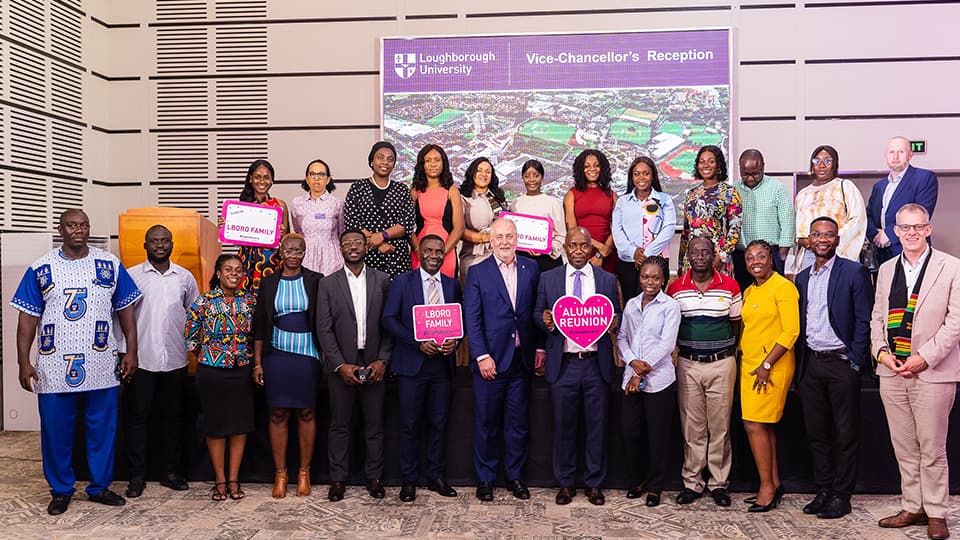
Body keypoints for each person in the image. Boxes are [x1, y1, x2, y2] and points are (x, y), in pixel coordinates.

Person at [12, 209, 141, 516]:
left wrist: (132, 352)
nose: (78, 230)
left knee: (102, 430)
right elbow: (26, 319)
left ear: (88, 228)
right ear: (61, 229)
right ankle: (60, 490)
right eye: (71, 225)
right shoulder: (41, 268)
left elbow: (126, 313)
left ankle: (99, 487)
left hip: (101, 364)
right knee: (56, 431)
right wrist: (22, 362)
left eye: (83, 225)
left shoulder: (109, 264)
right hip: (54, 367)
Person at [871, 203, 960, 540]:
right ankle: (913, 506)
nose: (910, 232)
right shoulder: (886, 269)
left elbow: (955, 323)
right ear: (896, 231)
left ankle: (937, 512)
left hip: (932, 372)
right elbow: (877, 318)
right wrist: (881, 353)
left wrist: (924, 357)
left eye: (917, 227)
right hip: (892, 371)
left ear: (928, 229)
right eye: (904, 227)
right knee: (905, 447)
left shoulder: (951, 268)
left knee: (932, 448)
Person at [535, 227, 621, 506]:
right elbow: (537, 312)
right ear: (565, 248)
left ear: (591, 249)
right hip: (565, 364)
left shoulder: (607, 279)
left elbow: (616, 313)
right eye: (573, 246)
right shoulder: (549, 279)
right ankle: (566, 483)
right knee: (564, 426)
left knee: (597, 426)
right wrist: (545, 319)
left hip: (596, 364)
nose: (579, 251)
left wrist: (614, 322)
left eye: (584, 246)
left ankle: (595, 484)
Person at [795, 217, 873, 519]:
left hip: (842, 363)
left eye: (829, 235)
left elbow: (864, 319)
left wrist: (855, 360)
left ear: (837, 240)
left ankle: (842, 495)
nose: (823, 239)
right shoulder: (802, 278)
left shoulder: (853, 272)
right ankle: (824, 490)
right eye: (817, 234)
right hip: (812, 363)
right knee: (816, 434)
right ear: (810, 240)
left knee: (845, 433)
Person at [464, 218, 543, 501]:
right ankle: (485, 479)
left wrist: (540, 349)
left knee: (517, 423)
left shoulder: (531, 268)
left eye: (509, 236)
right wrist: (482, 355)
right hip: (490, 362)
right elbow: (472, 319)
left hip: (521, 361)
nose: (505, 242)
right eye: (499, 237)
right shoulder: (477, 272)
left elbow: (536, 311)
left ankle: (515, 477)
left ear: (517, 238)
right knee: (487, 423)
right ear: (490, 239)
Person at [383, 235, 462, 502]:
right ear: (419, 253)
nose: (434, 255)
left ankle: (436, 476)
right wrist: (417, 343)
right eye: (428, 250)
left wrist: (456, 341)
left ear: (444, 255)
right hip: (412, 365)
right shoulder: (402, 282)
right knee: (409, 425)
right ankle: (409, 480)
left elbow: (457, 321)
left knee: (438, 424)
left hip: (442, 366)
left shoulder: (452, 285)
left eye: (439, 251)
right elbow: (389, 320)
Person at [316, 229, 393, 502]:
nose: (353, 247)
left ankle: (374, 477)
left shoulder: (382, 280)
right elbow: (323, 329)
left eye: (358, 243)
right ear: (340, 248)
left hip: (374, 363)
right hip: (342, 366)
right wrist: (339, 365)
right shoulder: (327, 284)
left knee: (374, 425)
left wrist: (383, 360)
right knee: (339, 425)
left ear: (365, 247)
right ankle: (338, 478)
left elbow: (389, 325)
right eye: (347, 243)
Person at [122, 225, 199, 498]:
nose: (159, 245)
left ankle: (169, 472)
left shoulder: (185, 278)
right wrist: (124, 353)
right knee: (138, 420)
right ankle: (137, 476)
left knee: (172, 420)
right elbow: (123, 318)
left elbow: (193, 314)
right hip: (142, 360)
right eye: (154, 241)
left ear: (172, 244)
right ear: (145, 245)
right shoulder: (131, 276)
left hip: (175, 360)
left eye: (164, 241)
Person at [667, 235, 742, 507]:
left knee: (720, 427)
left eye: (705, 252)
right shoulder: (675, 288)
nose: (700, 256)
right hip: (688, 364)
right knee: (692, 428)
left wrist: (724, 350)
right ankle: (692, 483)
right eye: (695, 251)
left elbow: (736, 325)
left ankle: (719, 483)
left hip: (722, 363)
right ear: (688, 255)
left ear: (713, 256)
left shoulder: (731, 286)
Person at [252, 233, 323, 498]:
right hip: (276, 355)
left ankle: (304, 472)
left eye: (299, 250)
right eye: (289, 249)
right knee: (277, 413)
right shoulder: (268, 282)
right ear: (280, 251)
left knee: (306, 412)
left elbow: (323, 321)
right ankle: (280, 473)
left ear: (305, 253)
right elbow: (260, 325)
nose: (294, 254)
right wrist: (257, 363)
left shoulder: (316, 280)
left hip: (308, 355)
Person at [184, 254, 256, 501]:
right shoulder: (203, 301)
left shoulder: (250, 301)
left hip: (241, 371)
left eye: (238, 269)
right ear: (218, 272)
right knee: (216, 426)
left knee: (239, 426)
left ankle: (234, 479)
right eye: (228, 269)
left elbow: (257, 335)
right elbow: (191, 337)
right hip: (211, 372)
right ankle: (220, 480)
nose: (233, 273)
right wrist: (212, 356)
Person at [739, 240, 799, 513]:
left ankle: (766, 488)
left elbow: (791, 331)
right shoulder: (750, 291)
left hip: (771, 366)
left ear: (771, 259)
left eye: (761, 256)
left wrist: (766, 364)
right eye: (750, 258)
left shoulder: (783, 287)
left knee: (754, 424)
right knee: (764, 425)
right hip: (749, 364)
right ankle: (773, 482)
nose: (755, 261)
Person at [617, 255, 681, 508]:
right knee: (630, 432)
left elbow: (667, 344)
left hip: (660, 380)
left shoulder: (670, 306)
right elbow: (622, 337)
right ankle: (637, 479)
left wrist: (639, 372)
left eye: (655, 277)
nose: (650, 282)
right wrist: (632, 362)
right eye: (645, 277)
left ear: (663, 279)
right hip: (630, 378)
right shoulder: (632, 305)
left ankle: (655, 487)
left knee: (658, 436)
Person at [344, 141, 416, 277]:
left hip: (396, 256)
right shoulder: (358, 187)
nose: (385, 162)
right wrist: (377, 243)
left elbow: (407, 223)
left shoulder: (402, 190)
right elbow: (351, 221)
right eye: (380, 157)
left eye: (390, 159)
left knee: (397, 296)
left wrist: (382, 236)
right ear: (372, 161)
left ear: (394, 164)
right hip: (366, 255)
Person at [792, 145, 866, 272]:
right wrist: (802, 240)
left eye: (827, 161)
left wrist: (826, 241)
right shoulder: (803, 194)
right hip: (809, 255)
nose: (822, 165)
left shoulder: (845, 186)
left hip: (839, 252)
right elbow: (798, 229)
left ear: (835, 164)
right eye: (817, 161)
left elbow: (858, 220)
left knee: (839, 289)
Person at [612, 156, 676, 302]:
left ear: (652, 176)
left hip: (657, 261)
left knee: (654, 303)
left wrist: (646, 254)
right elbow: (617, 230)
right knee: (631, 304)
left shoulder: (665, 200)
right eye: (637, 173)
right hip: (628, 262)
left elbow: (668, 228)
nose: (641, 177)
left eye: (646, 173)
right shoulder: (622, 202)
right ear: (631, 177)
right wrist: (633, 252)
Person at [866, 136, 939, 264]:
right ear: (886, 156)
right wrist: (875, 235)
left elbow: (920, 213)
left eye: (901, 152)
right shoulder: (879, 186)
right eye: (891, 152)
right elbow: (867, 215)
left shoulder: (924, 178)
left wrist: (888, 234)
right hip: (881, 254)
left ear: (910, 155)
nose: (896, 157)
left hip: (911, 252)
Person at [732, 149, 795, 291]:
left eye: (755, 173)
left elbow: (788, 219)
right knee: (745, 294)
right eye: (745, 174)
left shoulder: (776, 187)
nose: (750, 178)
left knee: (772, 294)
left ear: (763, 167)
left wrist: (782, 253)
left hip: (771, 253)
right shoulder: (733, 189)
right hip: (741, 254)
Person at [678, 145, 742, 275]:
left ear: (719, 165)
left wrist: (722, 256)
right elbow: (686, 231)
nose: (705, 165)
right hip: (692, 259)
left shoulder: (730, 193)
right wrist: (681, 262)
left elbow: (735, 229)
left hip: (717, 259)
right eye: (702, 162)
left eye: (711, 161)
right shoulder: (691, 194)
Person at [234, 159, 290, 298]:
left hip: (271, 262)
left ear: (272, 181)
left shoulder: (280, 206)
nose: (262, 181)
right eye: (258, 177)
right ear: (250, 179)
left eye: (266, 177)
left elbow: (287, 241)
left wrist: (282, 234)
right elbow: (235, 238)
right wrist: (225, 225)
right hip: (247, 263)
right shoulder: (240, 206)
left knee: (269, 303)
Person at [410, 144, 464, 279]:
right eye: (428, 160)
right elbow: (408, 227)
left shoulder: (452, 191)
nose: (433, 164)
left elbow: (459, 228)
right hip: (420, 254)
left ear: (443, 163)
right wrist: (418, 250)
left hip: (447, 251)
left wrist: (442, 253)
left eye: (437, 160)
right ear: (422, 165)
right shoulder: (414, 192)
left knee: (446, 295)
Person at [563, 149, 618, 273]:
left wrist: (602, 254)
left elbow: (617, 228)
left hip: (608, 255)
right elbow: (572, 229)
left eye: (596, 165)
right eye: (586, 166)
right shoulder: (571, 195)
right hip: (581, 253)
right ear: (580, 170)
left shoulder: (612, 195)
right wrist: (600, 247)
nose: (592, 169)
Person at [289, 158, 344, 275]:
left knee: (330, 291)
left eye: (321, 174)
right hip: (306, 256)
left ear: (328, 179)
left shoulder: (337, 203)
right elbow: (297, 231)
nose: (317, 178)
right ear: (307, 179)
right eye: (312, 174)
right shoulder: (297, 203)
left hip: (331, 257)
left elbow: (341, 232)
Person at [509, 159, 565, 273]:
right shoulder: (515, 203)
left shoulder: (553, 203)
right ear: (522, 178)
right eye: (527, 176)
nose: (531, 180)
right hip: (521, 260)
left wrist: (547, 249)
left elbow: (562, 235)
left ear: (542, 177)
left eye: (536, 175)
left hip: (548, 261)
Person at [459, 157, 507, 284]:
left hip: (499, 257)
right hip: (474, 257)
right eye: (479, 170)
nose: (483, 174)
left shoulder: (498, 197)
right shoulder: (463, 197)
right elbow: (459, 229)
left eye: (488, 171)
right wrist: (484, 237)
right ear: (472, 173)